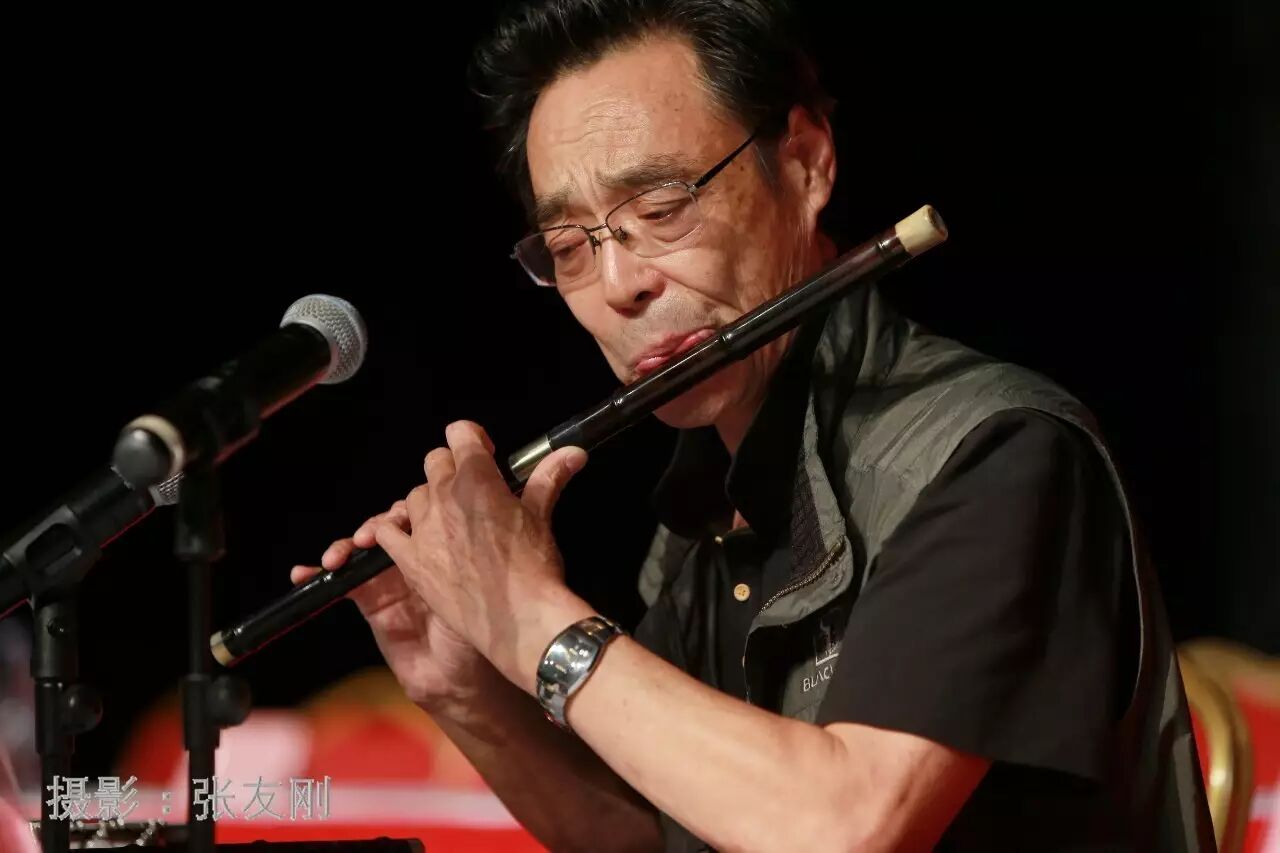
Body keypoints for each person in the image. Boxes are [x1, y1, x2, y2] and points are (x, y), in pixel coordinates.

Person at [293, 1, 1214, 849]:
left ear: (805, 164)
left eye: (661, 209)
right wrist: (466, 684)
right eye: (571, 246)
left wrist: (533, 616)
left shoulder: (995, 451)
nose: (619, 284)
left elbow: (847, 826)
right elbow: (662, 837)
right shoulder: (705, 508)